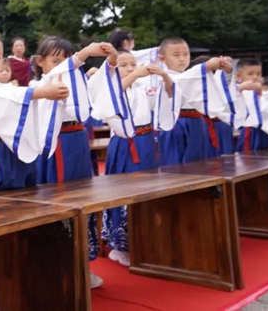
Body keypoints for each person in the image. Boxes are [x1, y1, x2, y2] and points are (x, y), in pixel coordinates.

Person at [32, 36, 118, 289]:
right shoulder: (38, 85)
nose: (64, 67)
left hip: (77, 142)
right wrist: (82, 55)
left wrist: (112, 62)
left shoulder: (78, 82)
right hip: (55, 143)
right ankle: (57, 266)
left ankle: (82, 264)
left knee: (83, 199)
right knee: (59, 202)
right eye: (56, 60)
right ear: (40, 61)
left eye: (67, 61)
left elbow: (101, 89)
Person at [95, 49, 176, 268]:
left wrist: (164, 75)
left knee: (147, 190)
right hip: (124, 142)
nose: (130, 68)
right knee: (123, 191)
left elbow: (169, 95)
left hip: (146, 141)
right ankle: (120, 245)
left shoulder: (143, 87)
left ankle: (145, 238)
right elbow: (108, 100)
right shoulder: (108, 88)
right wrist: (135, 75)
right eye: (124, 65)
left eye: (133, 64)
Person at [0, 31, 68, 193]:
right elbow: (1, 99)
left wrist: (51, 94)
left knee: (27, 196)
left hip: (20, 148)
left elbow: (24, 100)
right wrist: (42, 93)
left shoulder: (8, 88)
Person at [155, 38, 226, 165]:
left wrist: (226, 70)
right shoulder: (163, 77)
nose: (182, 59)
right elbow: (179, 82)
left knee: (198, 162)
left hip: (197, 121)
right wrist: (206, 66)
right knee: (176, 162)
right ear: (162, 58)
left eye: (186, 54)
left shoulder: (192, 75)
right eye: (176, 55)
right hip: (177, 122)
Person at [236, 58, 268, 152]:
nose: (255, 77)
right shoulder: (238, 90)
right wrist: (240, 89)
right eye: (250, 74)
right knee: (247, 156)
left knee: (265, 154)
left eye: (258, 74)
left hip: (264, 129)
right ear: (238, 76)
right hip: (249, 130)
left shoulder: (263, 92)